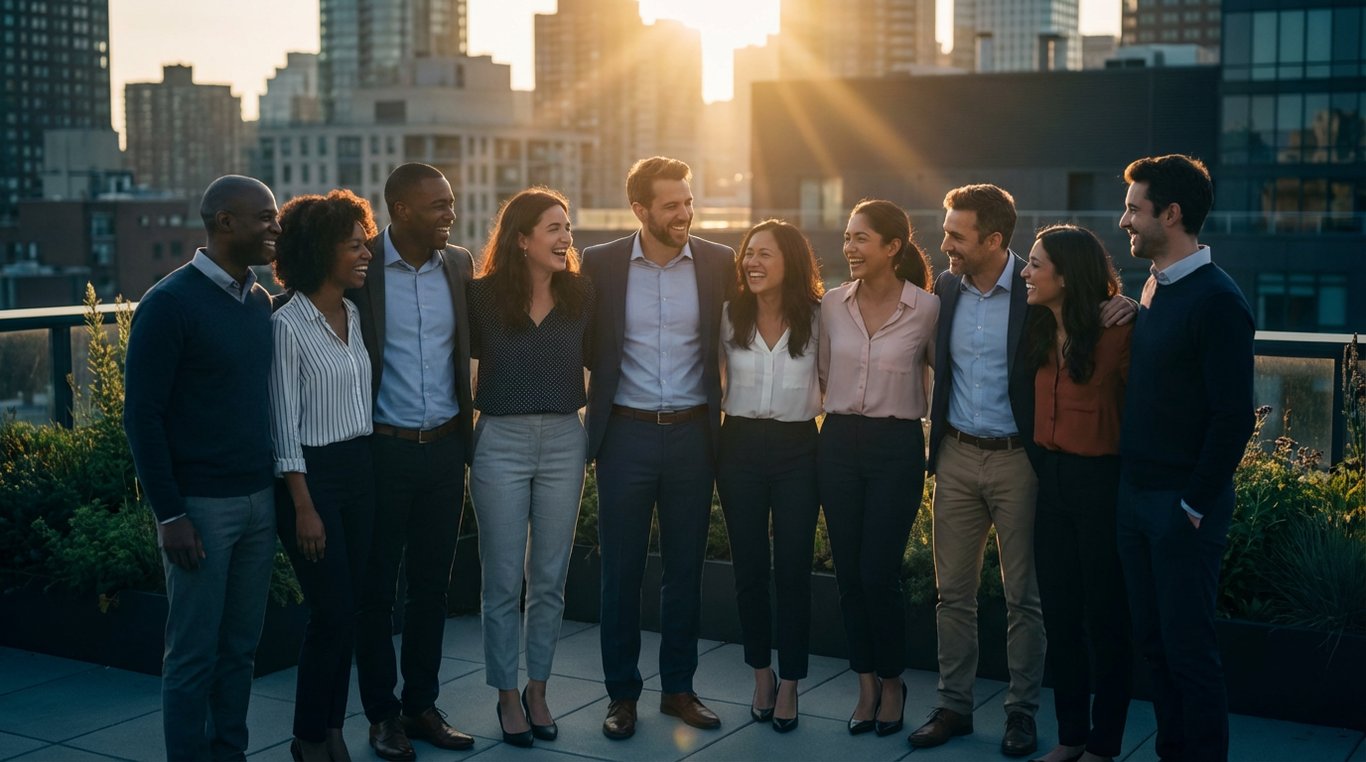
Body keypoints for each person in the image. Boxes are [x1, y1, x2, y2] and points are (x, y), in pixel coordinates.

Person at [912, 184, 1134, 757]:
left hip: (1022, 461)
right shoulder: (947, 289)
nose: (946, 245)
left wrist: (1126, 303)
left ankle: (1021, 712)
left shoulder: (1034, 292)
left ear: (993, 239)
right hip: (957, 455)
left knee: (1026, 599)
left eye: (957, 236)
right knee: (951, 594)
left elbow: (1086, 314)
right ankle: (953, 705)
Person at [123, 174, 280, 761]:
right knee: (192, 654)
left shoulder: (259, 301)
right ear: (224, 222)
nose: (275, 228)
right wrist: (170, 513)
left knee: (241, 648)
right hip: (201, 510)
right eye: (264, 218)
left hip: (258, 503)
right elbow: (142, 418)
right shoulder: (169, 305)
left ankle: (229, 753)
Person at [581, 156, 735, 740]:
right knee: (619, 572)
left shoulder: (720, 262)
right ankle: (621, 695)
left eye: (688, 202)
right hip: (625, 435)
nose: (684, 214)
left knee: (684, 570)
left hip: (696, 434)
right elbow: (589, 344)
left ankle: (679, 689)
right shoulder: (599, 263)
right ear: (640, 209)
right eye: (671, 205)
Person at [1117, 154, 1253, 762]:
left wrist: (1194, 506)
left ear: (1171, 215)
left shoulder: (1218, 300)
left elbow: (1232, 417)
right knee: (1152, 644)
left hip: (1180, 508)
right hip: (1136, 498)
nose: (1124, 220)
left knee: (1189, 651)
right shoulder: (1152, 285)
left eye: (1133, 208)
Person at [349, 163, 477, 761]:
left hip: (446, 452)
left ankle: (421, 706)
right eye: (438, 205)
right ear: (401, 209)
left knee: (432, 587)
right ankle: (382, 716)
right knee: (375, 591)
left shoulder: (459, 264)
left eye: (450, 204)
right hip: (382, 453)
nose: (450, 214)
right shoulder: (361, 268)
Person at [466, 187, 596, 748]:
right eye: (552, 227)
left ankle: (537, 690)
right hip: (499, 440)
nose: (565, 237)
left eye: (567, 226)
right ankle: (504, 694)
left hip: (566, 439)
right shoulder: (480, 299)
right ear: (522, 239)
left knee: (549, 580)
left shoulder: (583, 295)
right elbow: (453, 367)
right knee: (500, 580)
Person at [818, 199, 937, 739]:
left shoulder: (928, 309)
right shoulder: (830, 305)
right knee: (847, 572)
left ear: (893, 247)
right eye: (847, 237)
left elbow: (950, 373)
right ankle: (865, 685)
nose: (849, 247)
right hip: (839, 441)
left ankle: (893, 682)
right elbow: (820, 372)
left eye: (861, 238)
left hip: (896, 445)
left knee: (876, 572)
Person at [268, 189, 379, 762]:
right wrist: (304, 504)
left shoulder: (353, 313)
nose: (366, 253)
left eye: (366, 244)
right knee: (330, 613)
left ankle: (333, 730)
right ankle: (307, 737)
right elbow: (283, 423)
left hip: (360, 472)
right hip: (311, 481)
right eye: (354, 245)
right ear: (320, 251)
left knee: (350, 612)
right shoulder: (286, 325)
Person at [1020, 225, 1134, 762]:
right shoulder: (1039, 328)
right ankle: (1070, 738)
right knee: (1060, 617)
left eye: (1036, 264)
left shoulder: (1121, 333)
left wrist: (1131, 305)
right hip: (1053, 483)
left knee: (1105, 619)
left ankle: (1105, 745)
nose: (1026, 272)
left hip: (1102, 487)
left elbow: (1145, 415)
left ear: (1066, 276)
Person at [716, 219, 824, 733]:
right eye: (748, 253)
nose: (752, 263)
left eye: (765, 254)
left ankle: (792, 682)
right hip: (737, 446)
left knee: (794, 570)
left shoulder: (822, 320)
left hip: (799, 449)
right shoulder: (726, 317)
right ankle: (762, 674)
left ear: (792, 263)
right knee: (750, 570)